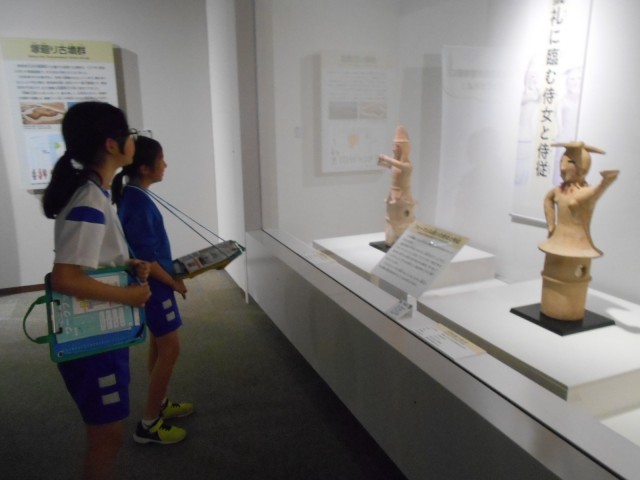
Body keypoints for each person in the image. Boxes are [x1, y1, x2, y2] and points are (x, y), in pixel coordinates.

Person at [42, 101, 151, 480]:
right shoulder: (89, 199)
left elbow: (90, 260)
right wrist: (130, 296)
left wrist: (126, 265)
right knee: (106, 438)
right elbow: (65, 278)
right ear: (111, 144)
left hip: (102, 336)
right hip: (92, 342)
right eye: (129, 133)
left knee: (109, 434)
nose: (133, 140)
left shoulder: (96, 193)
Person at [112, 136, 193, 445]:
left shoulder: (134, 196)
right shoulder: (137, 203)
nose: (166, 165)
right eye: (161, 160)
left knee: (160, 346)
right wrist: (173, 282)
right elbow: (146, 259)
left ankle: (159, 404)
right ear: (145, 168)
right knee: (171, 348)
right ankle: (148, 423)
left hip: (155, 285)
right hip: (155, 288)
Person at [378, 125, 417, 247]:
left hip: (404, 197)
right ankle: (390, 241)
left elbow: (397, 165)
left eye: (397, 147)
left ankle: (405, 244)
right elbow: (389, 165)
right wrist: (381, 162)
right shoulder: (397, 164)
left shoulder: (407, 165)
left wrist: (386, 158)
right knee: (390, 219)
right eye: (394, 146)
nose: (394, 149)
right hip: (393, 196)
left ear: (403, 149)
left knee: (403, 220)